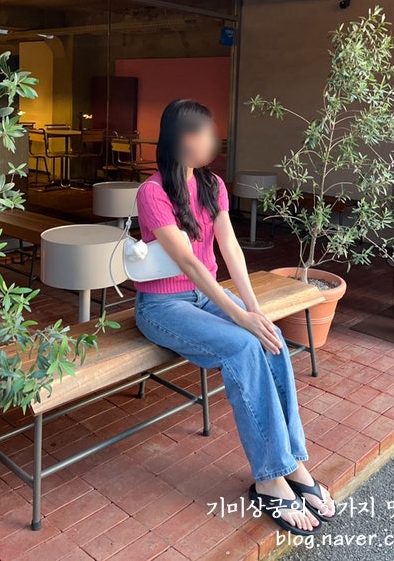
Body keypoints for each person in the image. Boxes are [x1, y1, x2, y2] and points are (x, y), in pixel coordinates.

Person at [134, 99, 336, 536]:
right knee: (245, 344)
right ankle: (269, 478)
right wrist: (239, 317)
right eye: (203, 132)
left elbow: (229, 247)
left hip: (204, 295)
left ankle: (293, 464)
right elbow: (189, 263)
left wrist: (254, 309)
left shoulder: (212, 184)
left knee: (270, 337)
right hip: (162, 306)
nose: (213, 140)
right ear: (179, 138)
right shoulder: (152, 192)